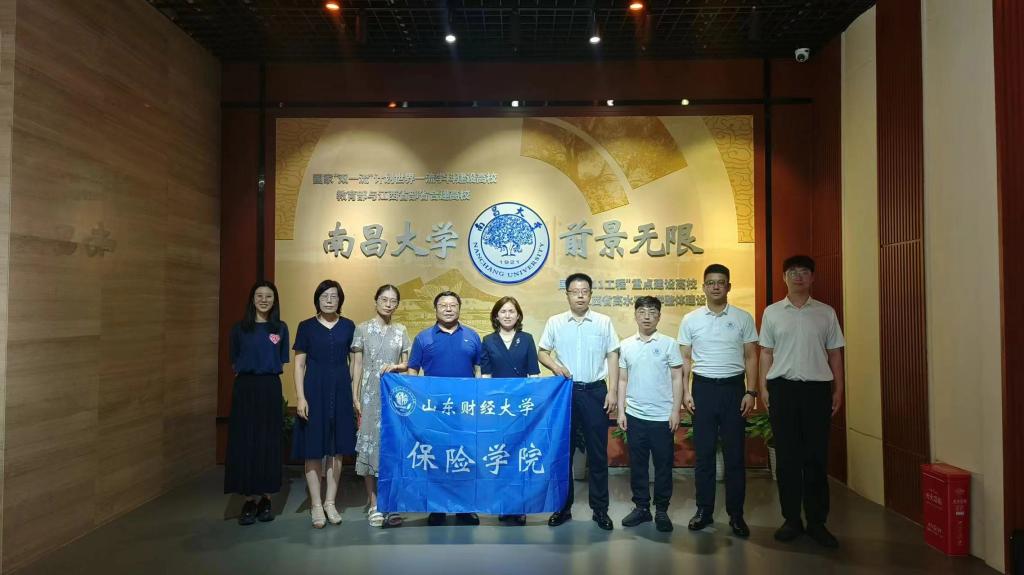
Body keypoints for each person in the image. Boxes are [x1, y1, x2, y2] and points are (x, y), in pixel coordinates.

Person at [759, 255, 846, 548]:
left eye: (804, 271)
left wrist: (838, 389)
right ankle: (791, 520)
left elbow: (835, 354)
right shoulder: (772, 313)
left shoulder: (825, 313)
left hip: (817, 391)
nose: (798, 276)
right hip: (782, 390)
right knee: (787, 459)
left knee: (816, 458)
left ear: (812, 278)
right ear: (784, 277)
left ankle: (817, 522)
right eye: (792, 272)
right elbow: (765, 353)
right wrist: (763, 388)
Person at [678, 264, 758, 537]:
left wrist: (751, 391)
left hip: (734, 390)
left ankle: (736, 515)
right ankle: (704, 511)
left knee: (735, 455)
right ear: (703, 287)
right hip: (703, 390)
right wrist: (686, 392)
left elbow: (751, 356)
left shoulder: (742, 318)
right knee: (704, 455)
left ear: (728, 287)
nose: (715, 286)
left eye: (720, 282)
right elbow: (685, 359)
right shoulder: (691, 319)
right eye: (710, 282)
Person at [539, 272, 620, 531]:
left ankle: (600, 510)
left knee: (597, 453)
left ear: (591, 294)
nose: (580, 296)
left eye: (585, 291)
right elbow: (542, 351)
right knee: (564, 452)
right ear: (567, 295)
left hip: (596, 392)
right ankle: (563, 508)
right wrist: (556, 367)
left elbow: (613, 355)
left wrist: (613, 391)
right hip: (566, 392)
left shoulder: (603, 322)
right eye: (575, 291)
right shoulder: (555, 322)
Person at [407, 290, 483, 526]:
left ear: (459, 308)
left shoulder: (472, 336)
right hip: (434, 411)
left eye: (453, 305)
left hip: (464, 410)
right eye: (443, 305)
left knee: (464, 457)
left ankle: (464, 508)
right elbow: (412, 371)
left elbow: (479, 370)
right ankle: (437, 508)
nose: (448, 309)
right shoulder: (423, 338)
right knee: (437, 457)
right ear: (436, 309)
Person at [292, 280, 357, 529]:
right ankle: (316, 504)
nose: (329, 300)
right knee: (313, 449)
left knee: (336, 449)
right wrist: (300, 397)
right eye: (324, 296)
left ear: (340, 300)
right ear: (317, 299)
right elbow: (299, 364)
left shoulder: (348, 326)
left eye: (334, 296)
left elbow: (355, 363)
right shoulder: (306, 326)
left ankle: (330, 502)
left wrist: (353, 394)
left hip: (340, 391)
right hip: (313, 391)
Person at [224, 281, 290, 525]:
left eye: (269, 296)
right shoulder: (239, 329)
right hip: (245, 388)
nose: (264, 300)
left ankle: (266, 499)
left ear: (275, 300)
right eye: (259, 295)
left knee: (268, 441)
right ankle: (249, 500)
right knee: (245, 441)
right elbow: (234, 360)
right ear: (252, 299)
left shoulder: (280, 328)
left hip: (270, 387)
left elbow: (281, 359)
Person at [616, 296, 684, 532]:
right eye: (642, 312)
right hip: (635, 415)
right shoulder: (626, 345)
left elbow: (677, 378)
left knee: (664, 466)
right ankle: (642, 508)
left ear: (659, 316)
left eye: (652, 312)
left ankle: (662, 510)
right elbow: (622, 380)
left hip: (662, 417)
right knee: (638, 465)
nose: (647, 316)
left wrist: (675, 410)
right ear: (635, 315)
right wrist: (621, 411)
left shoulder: (669, 344)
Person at [351, 285, 411, 528]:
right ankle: (374, 504)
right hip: (369, 395)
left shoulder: (401, 330)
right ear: (375, 301)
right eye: (384, 299)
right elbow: (357, 364)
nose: (388, 304)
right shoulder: (362, 329)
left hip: (393, 396)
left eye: (393, 301)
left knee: (392, 448)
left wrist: (395, 367)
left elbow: (407, 364)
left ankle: (392, 503)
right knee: (369, 446)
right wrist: (354, 395)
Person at [480, 296, 541, 526]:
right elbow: (486, 377)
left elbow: (533, 375)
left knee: (520, 457)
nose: (507, 315)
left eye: (511, 311)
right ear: (496, 316)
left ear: (518, 315)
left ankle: (520, 506)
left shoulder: (527, 339)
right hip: (498, 408)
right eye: (503, 311)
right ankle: (504, 505)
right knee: (501, 456)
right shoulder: (488, 340)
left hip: (522, 407)